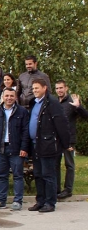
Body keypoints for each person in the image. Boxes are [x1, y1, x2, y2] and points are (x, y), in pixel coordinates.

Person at [27, 79, 69, 213]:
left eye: (37, 88)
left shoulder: (52, 103)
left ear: (45, 88)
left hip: (48, 144)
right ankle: (40, 201)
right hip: (35, 144)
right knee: (38, 174)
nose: (34, 91)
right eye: (33, 88)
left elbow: (62, 124)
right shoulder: (34, 102)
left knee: (48, 174)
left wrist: (65, 144)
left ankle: (50, 202)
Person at [0, 88, 30, 210]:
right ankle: (1, 201)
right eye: (7, 96)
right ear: (3, 97)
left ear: (15, 97)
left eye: (11, 96)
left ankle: (17, 201)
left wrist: (24, 147)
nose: (9, 98)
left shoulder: (22, 112)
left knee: (17, 175)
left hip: (16, 149)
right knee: (2, 176)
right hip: (1, 149)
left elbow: (26, 131)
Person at [54, 80, 87, 199]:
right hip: (56, 138)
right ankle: (56, 189)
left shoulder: (72, 101)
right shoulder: (55, 102)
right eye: (57, 88)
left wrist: (78, 107)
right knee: (55, 164)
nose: (59, 90)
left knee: (69, 164)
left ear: (66, 88)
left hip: (69, 139)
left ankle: (68, 190)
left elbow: (85, 116)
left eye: (61, 88)